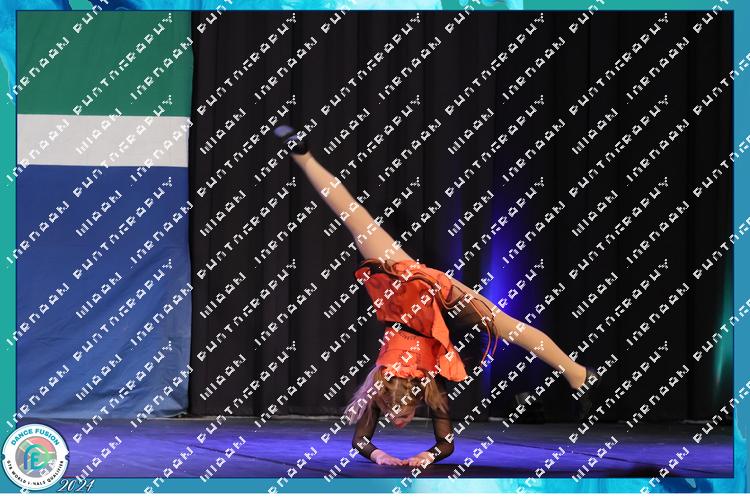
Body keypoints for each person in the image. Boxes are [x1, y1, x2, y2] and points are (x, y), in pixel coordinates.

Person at [273, 125, 603, 467]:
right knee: (356, 221)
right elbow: (439, 445)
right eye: (400, 417)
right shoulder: (414, 387)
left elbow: (366, 440)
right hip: (428, 311)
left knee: (358, 221)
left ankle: (577, 373)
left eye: (396, 417)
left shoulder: (388, 387)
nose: (397, 422)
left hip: (423, 296)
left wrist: (390, 455)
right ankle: (304, 156)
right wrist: (411, 455)